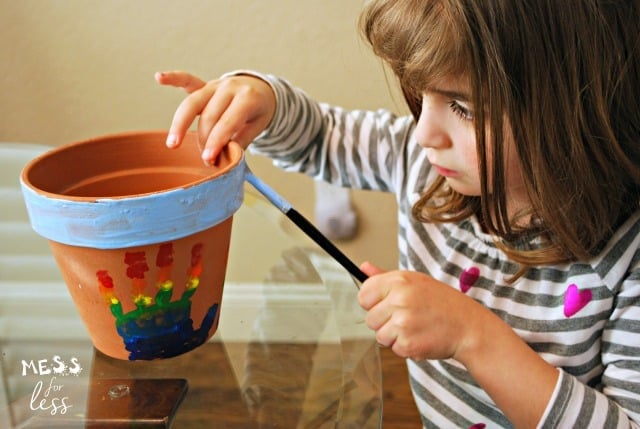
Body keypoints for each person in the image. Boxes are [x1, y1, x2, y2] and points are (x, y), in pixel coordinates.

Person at [155, 0, 640, 427]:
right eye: (421, 94)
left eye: (463, 108)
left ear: (573, 111)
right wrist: (265, 100)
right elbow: (323, 137)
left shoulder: (627, 262)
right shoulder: (422, 160)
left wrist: (472, 336)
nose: (425, 131)